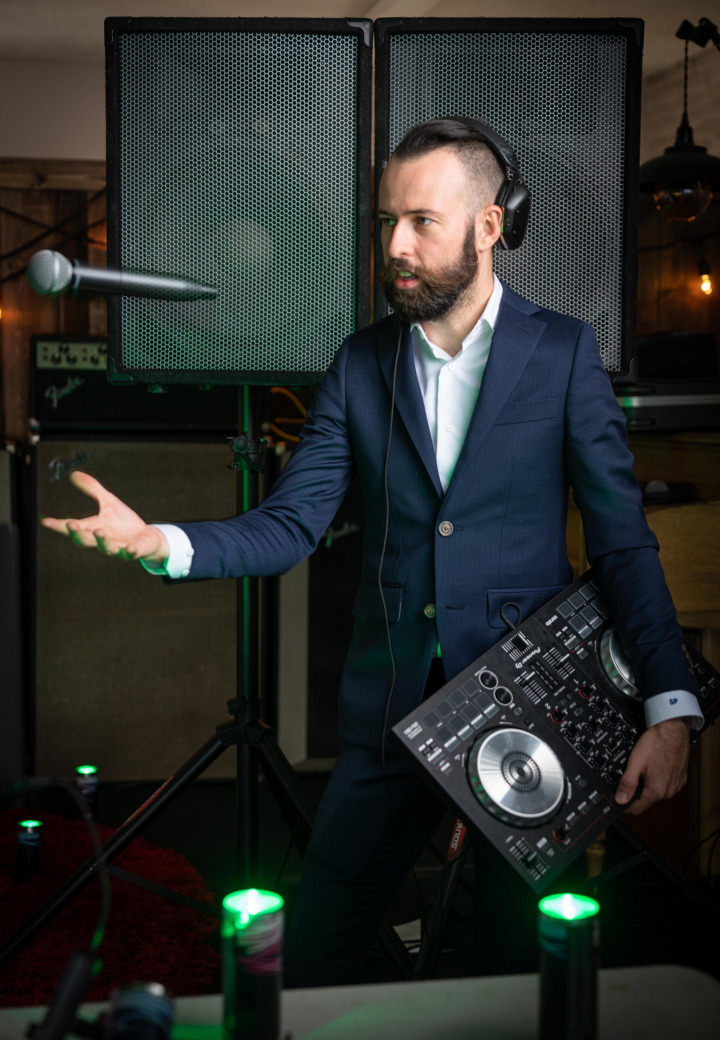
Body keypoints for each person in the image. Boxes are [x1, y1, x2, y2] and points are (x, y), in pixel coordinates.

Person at [43, 117, 702, 986]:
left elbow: (622, 543)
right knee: (312, 955)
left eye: (422, 221)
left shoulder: (566, 352)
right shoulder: (359, 363)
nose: (394, 245)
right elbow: (289, 525)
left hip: (528, 715)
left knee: (519, 972)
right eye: (387, 220)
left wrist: (670, 707)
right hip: (389, 709)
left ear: (490, 226)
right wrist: (159, 541)